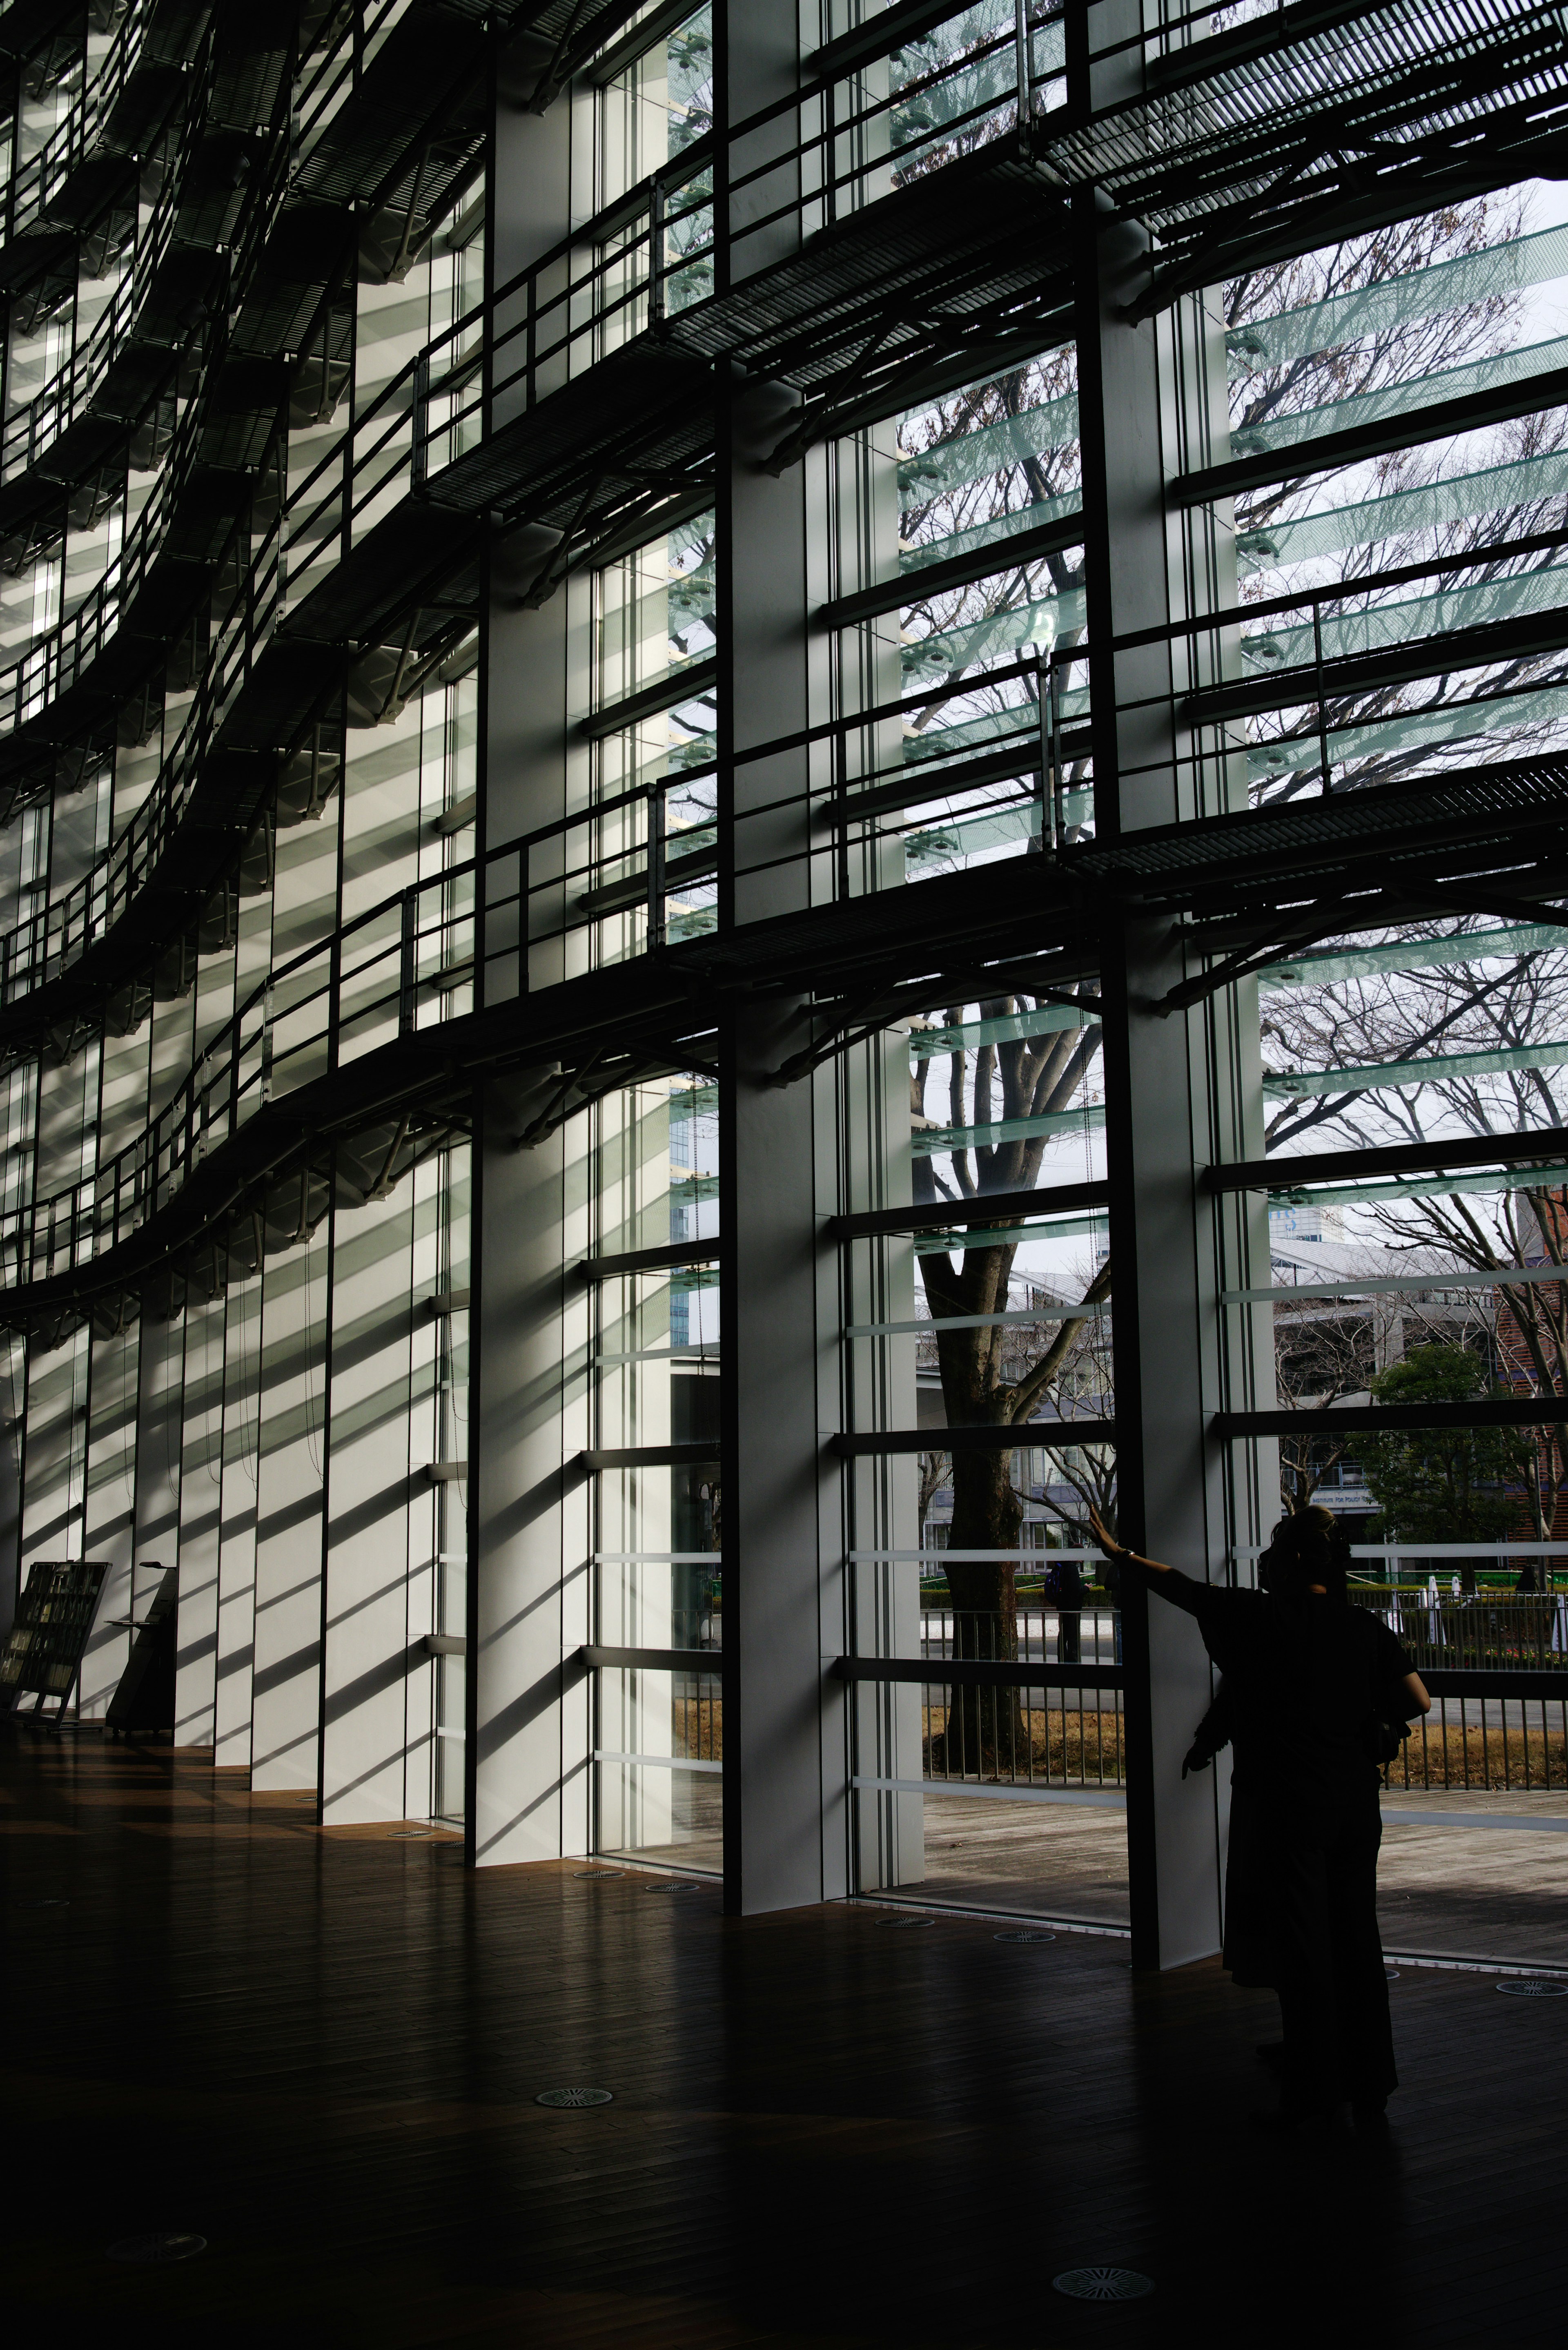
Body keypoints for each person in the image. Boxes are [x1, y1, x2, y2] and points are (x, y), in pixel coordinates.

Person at [1087, 1502, 1430, 2134]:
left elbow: (1183, 1589)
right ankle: (1371, 2082)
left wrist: (1120, 1556)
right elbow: (1417, 1699)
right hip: (1355, 1805)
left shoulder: (1260, 1618)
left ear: (1295, 1560)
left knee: (1303, 1948)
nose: (1264, 1562)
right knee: (1356, 1938)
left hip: (1286, 1803)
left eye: (1272, 1552)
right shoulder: (1362, 1627)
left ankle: (1312, 2091)